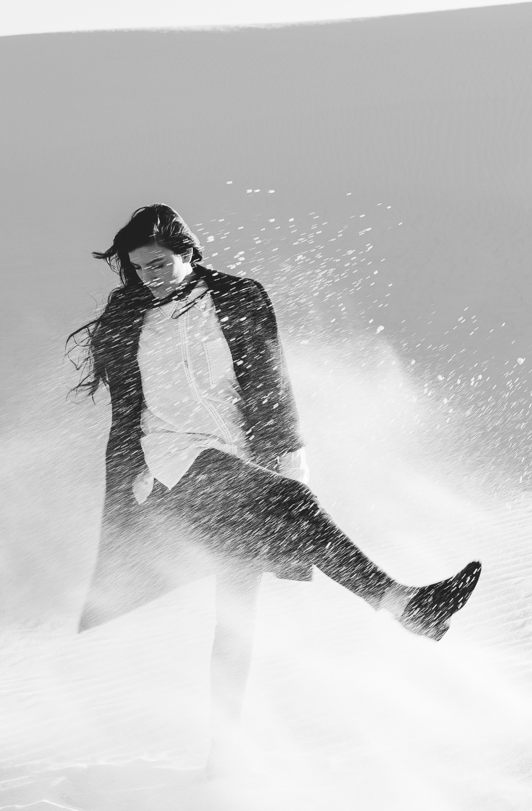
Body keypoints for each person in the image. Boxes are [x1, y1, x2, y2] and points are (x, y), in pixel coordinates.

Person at [70, 204, 482, 764]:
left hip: (241, 455)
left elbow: (270, 383)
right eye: (140, 268)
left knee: (237, 612)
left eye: (159, 262)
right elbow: (126, 410)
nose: (151, 275)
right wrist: (128, 485)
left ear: (187, 252)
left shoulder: (238, 298)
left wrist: (289, 461)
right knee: (287, 504)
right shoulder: (131, 322)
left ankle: (222, 753)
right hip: (172, 457)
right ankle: (405, 604)